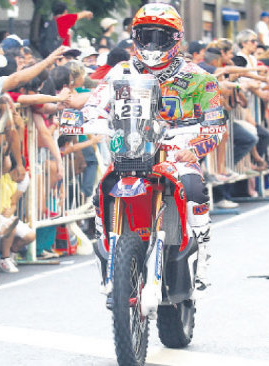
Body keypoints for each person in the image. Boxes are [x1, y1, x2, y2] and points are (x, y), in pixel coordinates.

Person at [83, 3, 225, 294]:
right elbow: (94, 104)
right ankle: (107, 261)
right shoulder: (120, 72)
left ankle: (203, 255)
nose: (151, 44)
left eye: (160, 37)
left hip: (178, 148)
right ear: (135, 36)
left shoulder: (200, 78)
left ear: (175, 39)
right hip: (133, 146)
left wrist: (195, 149)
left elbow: (216, 125)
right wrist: (89, 121)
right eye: (146, 35)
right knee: (101, 191)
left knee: (194, 187)